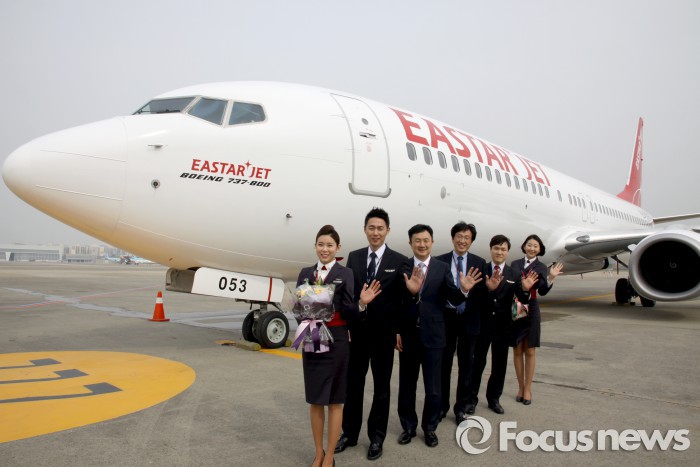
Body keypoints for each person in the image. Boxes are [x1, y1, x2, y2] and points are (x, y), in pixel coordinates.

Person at [296, 225, 380, 467]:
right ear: (315, 246)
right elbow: (299, 309)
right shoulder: (305, 273)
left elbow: (349, 311)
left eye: (330, 245)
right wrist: (305, 318)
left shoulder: (346, 273)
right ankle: (318, 452)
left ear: (338, 248)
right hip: (312, 337)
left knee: (335, 400)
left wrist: (362, 304)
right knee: (315, 400)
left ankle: (330, 455)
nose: (325, 249)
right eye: (321, 244)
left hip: (337, 339)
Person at [396, 224, 482, 448]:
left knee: (434, 388)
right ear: (410, 243)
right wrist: (410, 295)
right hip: (409, 336)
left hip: (434, 336)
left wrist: (464, 290)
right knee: (407, 386)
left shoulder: (441, 268)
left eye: (426, 240)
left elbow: (452, 297)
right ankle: (408, 426)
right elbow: (397, 302)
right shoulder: (404, 266)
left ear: (432, 242)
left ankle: (430, 427)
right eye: (417, 240)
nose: (422, 244)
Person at [335, 208, 408, 461]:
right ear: (365, 230)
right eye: (371, 228)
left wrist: (398, 330)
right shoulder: (354, 257)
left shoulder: (399, 260)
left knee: (381, 388)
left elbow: (402, 300)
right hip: (357, 334)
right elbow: (347, 296)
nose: (375, 232)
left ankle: (377, 437)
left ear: (388, 230)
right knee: (353, 386)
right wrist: (346, 326)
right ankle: (349, 433)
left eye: (380, 228)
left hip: (384, 336)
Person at [468, 235, 537, 418]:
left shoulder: (514, 273)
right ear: (491, 249)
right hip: (482, 325)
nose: (499, 252)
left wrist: (525, 290)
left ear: (508, 252)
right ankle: (471, 399)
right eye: (496, 248)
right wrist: (488, 289)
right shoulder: (481, 270)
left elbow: (521, 300)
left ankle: (494, 399)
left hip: (502, 327)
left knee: (499, 366)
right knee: (477, 364)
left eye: (503, 249)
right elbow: (474, 297)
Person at [434, 222, 486, 423]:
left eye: (467, 238)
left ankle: (461, 408)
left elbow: (481, 295)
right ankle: (442, 406)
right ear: (453, 238)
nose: (462, 241)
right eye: (459, 236)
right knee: (444, 365)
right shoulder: (441, 261)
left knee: (466, 366)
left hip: (468, 320)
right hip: (446, 319)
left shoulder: (479, 263)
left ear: (471, 241)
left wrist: (489, 289)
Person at [510, 234, 564, 406]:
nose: (532, 248)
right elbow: (512, 285)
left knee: (530, 350)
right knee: (517, 349)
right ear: (524, 246)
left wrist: (551, 277)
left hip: (532, 307)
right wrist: (522, 286)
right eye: (529, 245)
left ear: (539, 249)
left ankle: (528, 388)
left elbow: (542, 291)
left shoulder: (541, 267)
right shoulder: (515, 264)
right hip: (518, 305)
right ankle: (520, 387)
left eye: (535, 246)